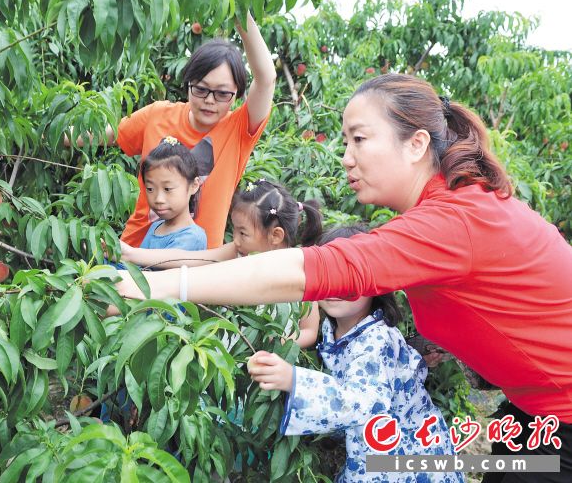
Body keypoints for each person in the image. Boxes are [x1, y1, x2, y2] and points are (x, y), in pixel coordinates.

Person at [116, 73, 572, 482]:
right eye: (344, 141)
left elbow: (310, 269)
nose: (346, 158)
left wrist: (154, 287)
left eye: (359, 139)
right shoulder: (447, 210)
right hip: (536, 409)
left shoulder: (454, 220)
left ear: (415, 144)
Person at [249, 225, 461, 483]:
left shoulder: (378, 337)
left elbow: (360, 402)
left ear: (376, 283)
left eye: (350, 277)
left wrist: (294, 380)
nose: (338, 287)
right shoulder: (332, 329)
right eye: (330, 276)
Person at [68, 0, 276, 249]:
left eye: (222, 93)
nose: (210, 100)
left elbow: (266, 77)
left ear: (236, 96)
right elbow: (105, 134)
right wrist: (50, 136)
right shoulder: (158, 114)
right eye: (201, 89)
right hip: (135, 252)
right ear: (187, 84)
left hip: (195, 264)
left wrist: (237, 6)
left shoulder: (238, 130)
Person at [120, 178, 321, 346]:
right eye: (234, 230)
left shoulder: (302, 271)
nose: (235, 239)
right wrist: (132, 254)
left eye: (243, 233)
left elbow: (309, 330)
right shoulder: (237, 253)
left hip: (262, 367)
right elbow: (191, 259)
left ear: (275, 236)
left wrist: (281, 343)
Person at [138, 136, 207, 251]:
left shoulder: (193, 237)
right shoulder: (156, 227)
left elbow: (148, 267)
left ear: (194, 186)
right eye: (150, 189)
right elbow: (138, 267)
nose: (158, 199)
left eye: (167, 189)